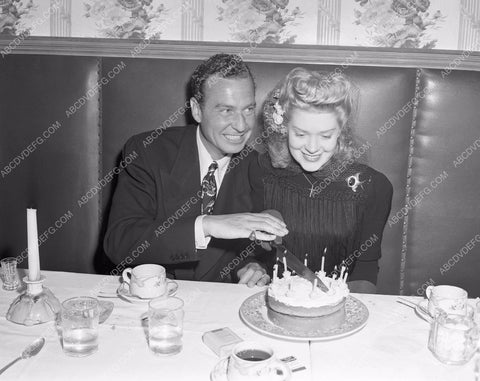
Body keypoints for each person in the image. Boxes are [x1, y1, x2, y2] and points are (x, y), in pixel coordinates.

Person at [104, 53, 288, 286]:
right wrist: (207, 225)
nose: (242, 125)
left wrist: (254, 266)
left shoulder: (261, 168)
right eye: (226, 110)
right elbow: (120, 243)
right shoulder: (147, 151)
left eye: (248, 109)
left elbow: (262, 251)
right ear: (196, 110)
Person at [259, 67, 393, 293]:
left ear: (341, 131)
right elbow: (253, 253)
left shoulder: (373, 187)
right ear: (284, 128)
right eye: (300, 134)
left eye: (325, 136)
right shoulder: (260, 172)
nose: (312, 148)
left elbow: (366, 268)